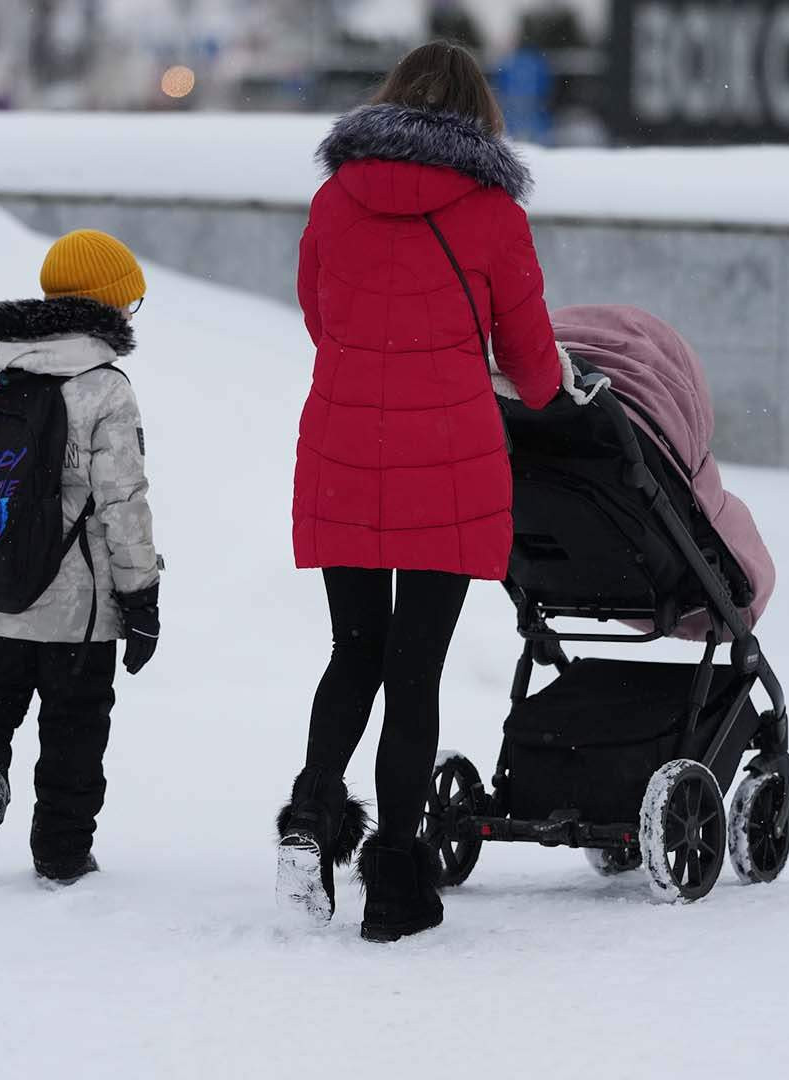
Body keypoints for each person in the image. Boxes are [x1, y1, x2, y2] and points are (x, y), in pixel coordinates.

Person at [280, 41, 563, 941]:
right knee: (414, 671)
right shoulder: (492, 216)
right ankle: (396, 881)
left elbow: (321, 318)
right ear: (479, 113)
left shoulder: (336, 198)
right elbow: (536, 370)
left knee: (353, 650)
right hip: (447, 463)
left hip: (344, 450)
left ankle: (307, 818)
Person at [0, 229, 162, 887]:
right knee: (74, 728)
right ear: (110, 305)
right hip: (76, 609)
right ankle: (62, 854)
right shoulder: (105, 387)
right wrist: (141, 595)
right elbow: (123, 501)